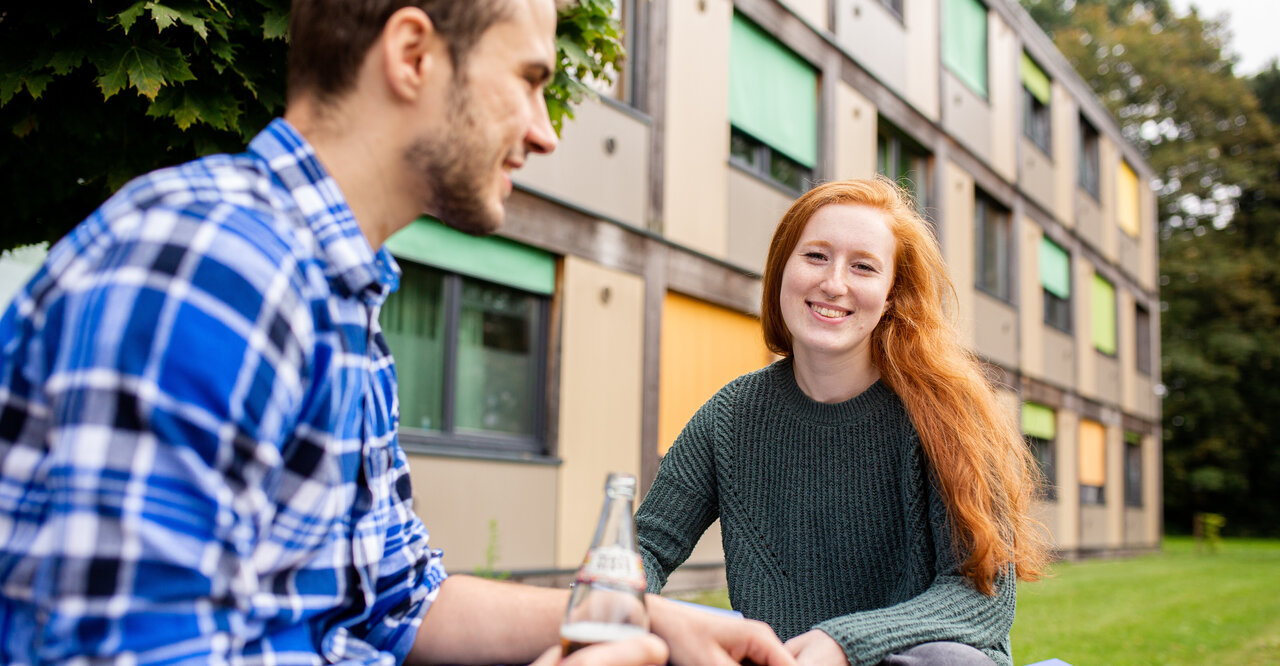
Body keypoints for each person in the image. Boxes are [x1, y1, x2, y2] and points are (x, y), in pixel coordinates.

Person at [0, 1, 796, 664]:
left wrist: (640, 616)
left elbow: (401, 600)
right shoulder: (218, 266)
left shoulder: (339, 289)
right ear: (413, 54)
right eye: (527, 81)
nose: (546, 132)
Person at [634, 178, 1052, 666]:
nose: (834, 283)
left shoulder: (952, 415)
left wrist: (841, 642)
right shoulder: (730, 417)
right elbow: (646, 546)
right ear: (781, 270)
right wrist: (618, 602)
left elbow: (981, 601)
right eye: (815, 256)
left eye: (863, 267)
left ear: (892, 294)